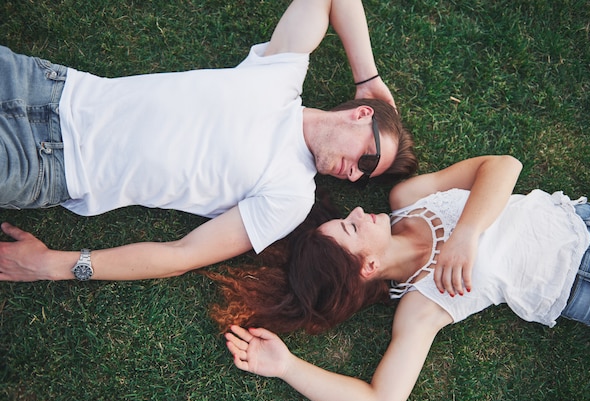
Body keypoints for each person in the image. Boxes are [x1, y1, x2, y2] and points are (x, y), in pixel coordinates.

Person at [0, 0, 417, 282]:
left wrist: (53, 265)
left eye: (364, 179)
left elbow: (181, 254)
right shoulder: (279, 76)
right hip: (52, 87)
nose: (353, 175)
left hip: (46, 165)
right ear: (361, 115)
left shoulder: (290, 196)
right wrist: (368, 79)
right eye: (367, 158)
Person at [218, 155, 590, 401]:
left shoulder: (409, 197)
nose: (358, 211)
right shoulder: (420, 307)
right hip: (589, 288)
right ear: (369, 266)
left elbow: (504, 166)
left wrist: (466, 234)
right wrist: (288, 367)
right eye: (350, 226)